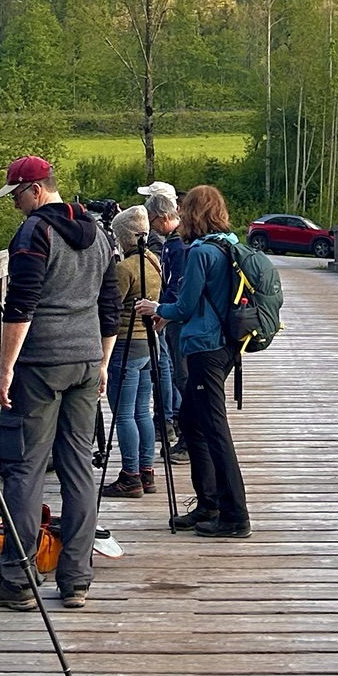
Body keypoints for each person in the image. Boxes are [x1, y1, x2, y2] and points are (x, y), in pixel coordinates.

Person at [0, 155, 119, 610]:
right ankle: (77, 579)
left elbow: (21, 305)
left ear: (36, 190)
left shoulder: (35, 232)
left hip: (40, 364)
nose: (16, 206)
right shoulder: (99, 232)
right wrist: (102, 361)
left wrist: (5, 370)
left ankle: (18, 581)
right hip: (84, 362)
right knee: (79, 467)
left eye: (17, 196)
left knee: (24, 467)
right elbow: (109, 302)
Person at [136, 183, 250, 538]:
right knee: (192, 421)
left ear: (193, 213)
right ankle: (209, 503)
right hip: (228, 345)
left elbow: (184, 306)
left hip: (205, 348)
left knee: (214, 430)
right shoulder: (231, 245)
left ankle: (234, 515)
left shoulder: (201, 252)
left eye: (185, 208)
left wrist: (156, 308)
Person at [104, 205, 162, 496]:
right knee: (142, 410)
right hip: (148, 344)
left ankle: (130, 476)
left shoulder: (123, 269)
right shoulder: (153, 262)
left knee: (123, 413)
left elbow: (111, 309)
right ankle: (147, 471)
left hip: (125, 344)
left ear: (123, 237)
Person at [140, 181, 186, 445]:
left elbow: (177, 287)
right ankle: (173, 418)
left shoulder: (178, 245)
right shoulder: (172, 242)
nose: (152, 225)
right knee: (171, 367)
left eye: (154, 220)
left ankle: (170, 419)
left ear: (166, 216)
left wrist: (163, 314)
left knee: (172, 368)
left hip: (175, 317)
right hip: (169, 313)